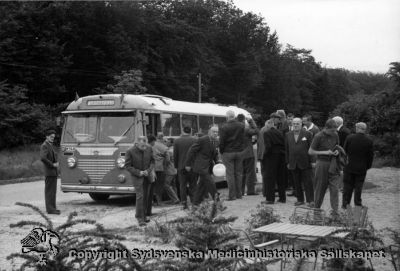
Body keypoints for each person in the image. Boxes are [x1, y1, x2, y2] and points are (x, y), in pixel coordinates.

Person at [309, 119, 340, 215]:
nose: (334, 132)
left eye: (335, 130)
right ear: (326, 128)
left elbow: (337, 146)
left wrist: (337, 151)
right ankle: (316, 212)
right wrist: (325, 152)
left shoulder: (335, 134)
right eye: (332, 130)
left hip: (333, 163)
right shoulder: (318, 136)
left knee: (335, 189)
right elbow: (310, 151)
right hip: (322, 163)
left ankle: (335, 213)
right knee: (320, 189)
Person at [185, 125, 220, 205]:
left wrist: (217, 161)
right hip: (201, 167)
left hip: (208, 167)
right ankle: (218, 203)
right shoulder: (202, 139)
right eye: (213, 132)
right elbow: (191, 151)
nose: (215, 133)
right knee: (211, 184)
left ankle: (195, 203)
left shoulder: (215, 141)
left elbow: (214, 154)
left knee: (201, 186)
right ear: (209, 132)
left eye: (217, 132)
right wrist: (188, 164)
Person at [342, 122, 374, 209]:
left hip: (349, 166)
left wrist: (344, 163)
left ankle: (345, 204)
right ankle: (358, 204)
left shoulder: (349, 138)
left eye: (356, 127)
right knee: (358, 186)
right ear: (364, 129)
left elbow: (344, 152)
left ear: (358, 128)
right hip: (362, 167)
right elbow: (370, 156)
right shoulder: (369, 140)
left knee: (347, 186)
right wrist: (368, 166)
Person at [125, 136, 155, 226]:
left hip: (147, 175)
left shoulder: (149, 148)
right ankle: (140, 218)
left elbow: (152, 162)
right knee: (140, 196)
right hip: (137, 177)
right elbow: (128, 166)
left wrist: (148, 171)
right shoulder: (130, 151)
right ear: (137, 143)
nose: (144, 148)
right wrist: (139, 172)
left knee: (146, 196)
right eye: (142, 146)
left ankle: (144, 215)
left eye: (145, 145)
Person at [285, 118, 314, 206]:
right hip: (293, 162)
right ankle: (300, 200)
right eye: (294, 123)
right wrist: (287, 162)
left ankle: (310, 200)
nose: (296, 125)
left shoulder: (308, 134)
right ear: (292, 125)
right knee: (296, 183)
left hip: (305, 162)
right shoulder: (288, 135)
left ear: (301, 124)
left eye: (297, 123)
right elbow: (287, 150)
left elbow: (312, 148)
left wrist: (313, 161)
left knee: (308, 183)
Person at [219, 110, 245, 200]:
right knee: (238, 173)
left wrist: (221, 151)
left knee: (230, 174)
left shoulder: (224, 127)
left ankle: (232, 196)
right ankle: (239, 194)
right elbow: (243, 138)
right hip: (239, 151)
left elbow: (222, 141)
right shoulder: (241, 125)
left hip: (228, 152)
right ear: (234, 116)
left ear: (227, 117)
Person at [262, 119, 286, 204]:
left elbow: (268, 146)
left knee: (270, 178)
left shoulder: (266, 133)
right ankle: (282, 198)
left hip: (272, 156)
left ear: (268, 125)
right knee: (281, 177)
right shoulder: (280, 133)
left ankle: (270, 198)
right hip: (282, 155)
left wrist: (265, 155)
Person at [174, 126, 197, 209]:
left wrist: (176, 166)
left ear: (182, 131)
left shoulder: (177, 141)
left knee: (182, 186)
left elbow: (175, 155)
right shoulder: (195, 140)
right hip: (193, 166)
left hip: (181, 166)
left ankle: (184, 203)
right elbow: (196, 154)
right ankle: (194, 203)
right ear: (190, 131)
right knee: (193, 185)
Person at [237, 114, 259, 196]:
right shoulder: (246, 129)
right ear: (243, 120)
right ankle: (250, 191)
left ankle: (241, 191)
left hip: (239, 154)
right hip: (248, 153)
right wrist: (251, 121)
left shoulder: (235, 129)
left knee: (241, 173)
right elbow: (256, 131)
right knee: (250, 173)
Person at [40, 129, 60, 215]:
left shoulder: (49, 145)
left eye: (53, 137)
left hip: (53, 172)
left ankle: (53, 208)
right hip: (49, 171)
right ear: (47, 136)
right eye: (51, 137)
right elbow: (43, 158)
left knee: (53, 191)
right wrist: (52, 165)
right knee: (49, 191)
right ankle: (50, 209)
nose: (52, 138)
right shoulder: (45, 145)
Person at [332, 116, 351, 191]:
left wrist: (342, 152)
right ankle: (340, 186)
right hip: (339, 152)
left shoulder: (344, 131)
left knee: (343, 170)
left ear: (337, 123)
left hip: (343, 153)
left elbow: (344, 144)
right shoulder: (340, 130)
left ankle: (344, 186)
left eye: (333, 122)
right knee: (339, 170)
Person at [257, 119, 272, 197]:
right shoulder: (266, 131)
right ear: (268, 124)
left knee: (264, 174)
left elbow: (259, 143)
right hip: (265, 155)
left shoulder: (262, 130)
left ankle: (265, 191)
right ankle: (266, 192)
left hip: (261, 155)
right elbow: (265, 144)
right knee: (266, 174)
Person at [164, 138, 180, 204]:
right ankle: (176, 198)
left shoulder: (169, 151)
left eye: (168, 142)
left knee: (166, 185)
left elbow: (167, 160)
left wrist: (164, 166)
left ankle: (175, 199)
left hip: (170, 170)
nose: (166, 143)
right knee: (173, 185)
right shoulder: (175, 150)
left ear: (171, 143)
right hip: (175, 169)